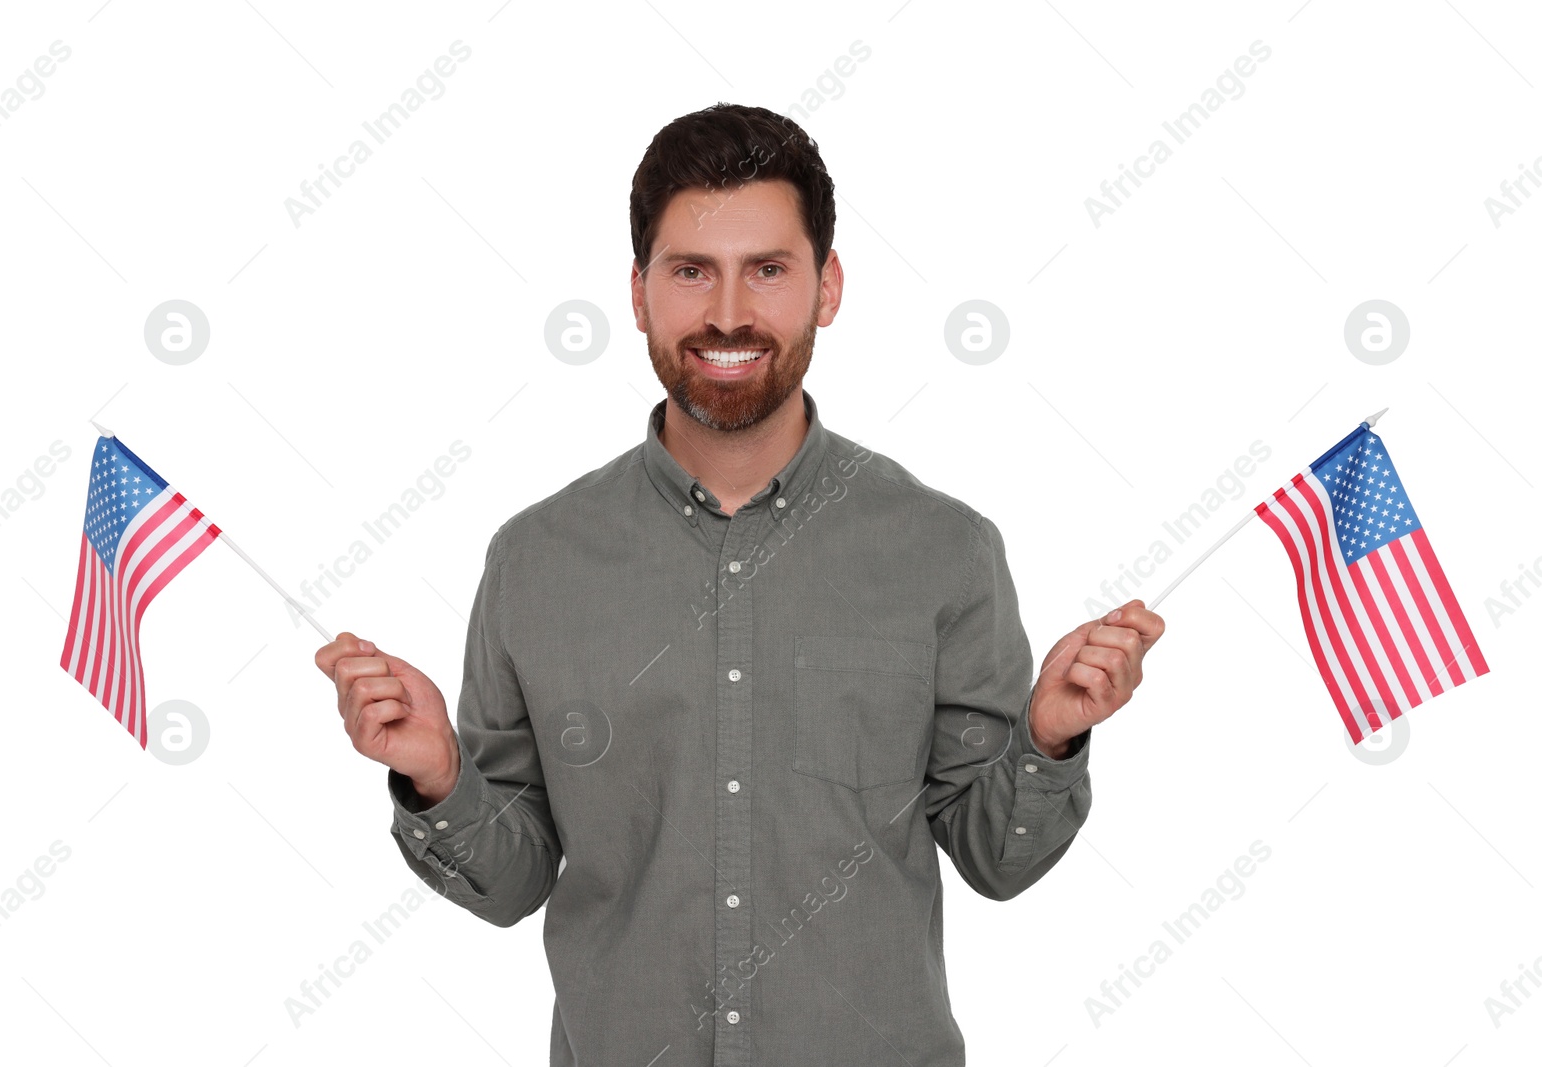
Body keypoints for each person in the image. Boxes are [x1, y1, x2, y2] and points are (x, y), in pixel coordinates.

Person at [314, 102, 1164, 1066]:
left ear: (827, 286)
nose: (726, 314)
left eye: (767, 269)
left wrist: (1049, 737)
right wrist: (437, 777)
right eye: (691, 271)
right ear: (638, 293)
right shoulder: (534, 562)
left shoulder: (945, 550)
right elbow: (509, 886)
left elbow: (995, 858)